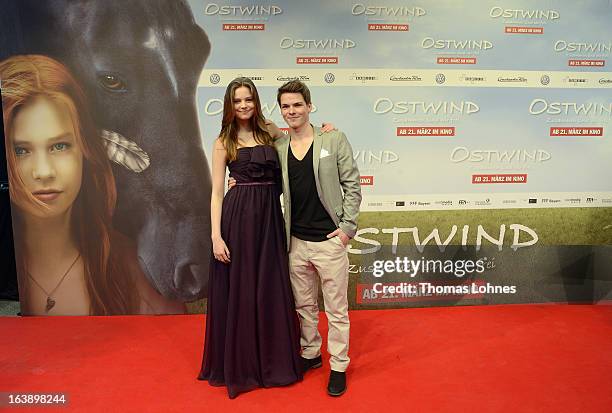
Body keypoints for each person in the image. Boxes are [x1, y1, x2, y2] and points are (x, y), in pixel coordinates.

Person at [1, 54, 183, 316]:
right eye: (21, 151)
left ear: (85, 150)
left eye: (59, 146)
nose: (44, 172)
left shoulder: (134, 271)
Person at [197, 77, 307, 398]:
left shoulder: (271, 131)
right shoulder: (223, 141)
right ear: (229, 105)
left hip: (270, 220)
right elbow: (217, 194)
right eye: (237, 101)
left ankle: (273, 363)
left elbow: (300, 140)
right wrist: (216, 237)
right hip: (237, 220)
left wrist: (326, 130)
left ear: (256, 102)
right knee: (243, 290)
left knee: (270, 287)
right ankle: (244, 366)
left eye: (248, 100)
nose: (243, 106)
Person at [276, 80, 361, 396]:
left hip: (329, 241)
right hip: (295, 242)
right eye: (286, 106)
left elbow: (352, 185)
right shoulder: (279, 146)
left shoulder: (334, 139)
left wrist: (347, 228)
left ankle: (338, 365)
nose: (292, 111)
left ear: (309, 106)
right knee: (304, 305)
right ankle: (310, 354)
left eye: (297, 104)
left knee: (336, 309)